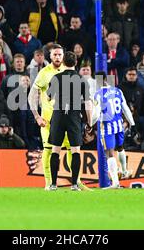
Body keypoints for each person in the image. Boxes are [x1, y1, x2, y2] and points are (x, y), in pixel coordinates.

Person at [28, 44, 89, 191]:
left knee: (71, 149)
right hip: (48, 120)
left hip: (65, 117)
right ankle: (49, 183)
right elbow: (32, 95)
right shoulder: (44, 73)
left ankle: (76, 181)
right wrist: (37, 116)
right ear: (50, 56)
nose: (57, 57)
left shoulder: (65, 71)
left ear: (63, 57)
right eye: (55, 55)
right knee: (49, 150)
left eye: (59, 55)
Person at [46, 51, 93, 191]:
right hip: (74, 116)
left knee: (55, 150)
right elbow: (88, 104)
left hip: (58, 115)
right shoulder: (81, 80)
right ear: (76, 63)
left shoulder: (56, 77)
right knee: (75, 151)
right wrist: (89, 123)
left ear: (62, 62)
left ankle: (53, 184)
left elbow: (48, 98)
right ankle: (74, 184)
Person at [93, 71, 135, 188]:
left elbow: (96, 114)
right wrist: (132, 123)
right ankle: (125, 170)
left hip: (107, 127)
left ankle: (115, 182)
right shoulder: (117, 91)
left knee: (109, 153)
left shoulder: (98, 94)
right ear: (106, 79)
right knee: (120, 147)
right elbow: (125, 108)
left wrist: (90, 124)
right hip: (119, 125)